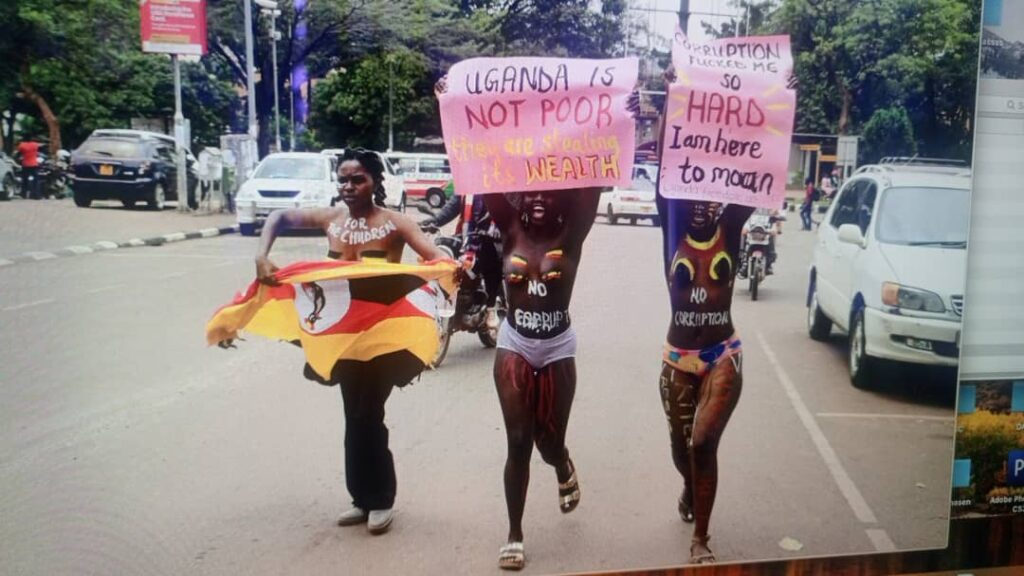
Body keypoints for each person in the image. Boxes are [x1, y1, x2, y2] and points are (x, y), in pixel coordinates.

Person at [253, 148, 449, 535]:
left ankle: (381, 500)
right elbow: (278, 217)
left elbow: (431, 253)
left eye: (357, 179)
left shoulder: (396, 223)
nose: (348, 186)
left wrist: (452, 265)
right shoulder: (331, 219)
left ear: (375, 182)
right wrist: (262, 255)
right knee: (353, 414)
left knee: (367, 413)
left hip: (382, 334)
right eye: (342, 179)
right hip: (342, 334)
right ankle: (360, 499)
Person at [654, 66, 758, 565]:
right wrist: (672, 103)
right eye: (691, 194)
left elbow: (758, 166)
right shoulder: (672, 231)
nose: (701, 203)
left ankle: (702, 539)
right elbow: (663, 172)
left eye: (710, 195)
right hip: (678, 357)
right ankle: (689, 490)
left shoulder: (731, 230)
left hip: (723, 356)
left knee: (702, 442)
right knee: (681, 452)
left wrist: (781, 109)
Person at [484, 187, 602, 570]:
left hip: (557, 348)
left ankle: (562, 462)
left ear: (564, 200)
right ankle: (514, 533)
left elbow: (592, 182)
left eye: (549, 195)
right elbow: (484, 172)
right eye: (531, 193)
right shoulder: (510, 227)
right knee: (519, 441)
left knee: (548, 443)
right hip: (515, 342)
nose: (538, 200)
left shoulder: (573, 234)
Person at [420, 183, 503, 329]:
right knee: (444, 252)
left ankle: (491, 307)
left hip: (495, 237)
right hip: (468, 237)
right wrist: (432, 222)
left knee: (490, 257)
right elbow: (450, 209)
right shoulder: (467, 184)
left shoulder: (503, 184)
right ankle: (458, 296)